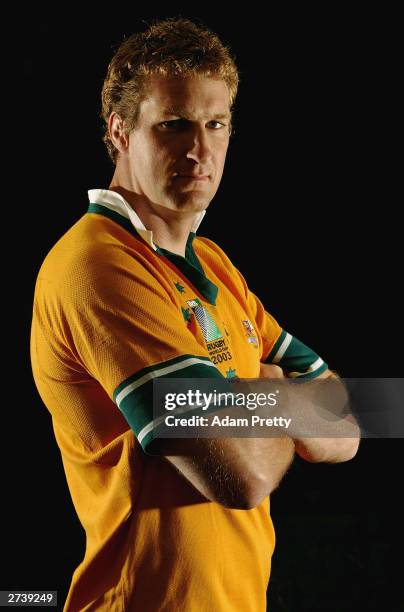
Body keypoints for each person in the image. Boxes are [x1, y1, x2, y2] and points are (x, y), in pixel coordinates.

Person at [30, 17, 360, 611]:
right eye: (173, 125)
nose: (199, 150)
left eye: (216, 124)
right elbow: (242, 477)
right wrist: (280, 395)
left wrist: (257, 405)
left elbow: (349, 425)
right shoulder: (98, 266)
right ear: (120, 131)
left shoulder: (214, 265)